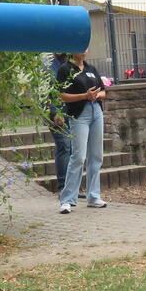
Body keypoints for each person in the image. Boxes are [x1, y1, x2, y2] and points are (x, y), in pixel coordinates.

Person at [56, 48, 108, 214]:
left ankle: (94, 196)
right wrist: (84, 96)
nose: (83, 51)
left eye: (86, 48)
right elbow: (61, 95)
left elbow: (103, 91)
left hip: (96, 112)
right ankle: (67, 199)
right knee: (78, 157)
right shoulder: (65, 69)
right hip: (79, 115)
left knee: (96, 156)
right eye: (80, 48)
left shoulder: (91, 69)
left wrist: (96, 95)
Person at [45, 53, 72, 197]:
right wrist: (55, 112)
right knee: (64, 146)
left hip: (70, 112)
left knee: (71, 149)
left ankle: (71, 187)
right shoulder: (48, 65)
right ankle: (63, 187)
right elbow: (47, 92)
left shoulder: (68, 63)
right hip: (56, 114)